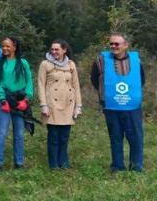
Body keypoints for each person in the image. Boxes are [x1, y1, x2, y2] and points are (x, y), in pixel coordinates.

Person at [90, 32, 145, 173]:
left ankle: (136, 167)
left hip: (132, 107)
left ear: (125, 45)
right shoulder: (101, 60)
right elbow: (95, 80)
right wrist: (106, 94)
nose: (113, 46)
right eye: (111, 44)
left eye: (117, 44)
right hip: (111, 107)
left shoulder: (136, 60)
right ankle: (117, 167)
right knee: (115, 138)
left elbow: (141, 80)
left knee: (135, 138)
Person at [38, 39, 82, 170]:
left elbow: (76, 86)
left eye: (57, 49)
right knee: (53, 137)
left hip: (68, 105)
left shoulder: (71, 65)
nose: (54, 52)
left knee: (64, 136)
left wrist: (78, 106)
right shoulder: (45, 64)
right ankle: (54, 164)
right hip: (52, 104)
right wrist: (43, 105)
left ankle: (64, 162)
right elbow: (41, 85)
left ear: (64, 50)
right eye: (52, 49)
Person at [0, 36, 33, 171]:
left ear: (14, 47)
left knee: (19, 133)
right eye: (3, 46)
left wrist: (26, 100)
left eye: (8, 46)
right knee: (2, 132)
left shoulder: (23, 63)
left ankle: (19, 162)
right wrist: (2, 99)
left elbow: (29, 83)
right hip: (3, 101)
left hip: (19, 101)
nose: (5, 48)